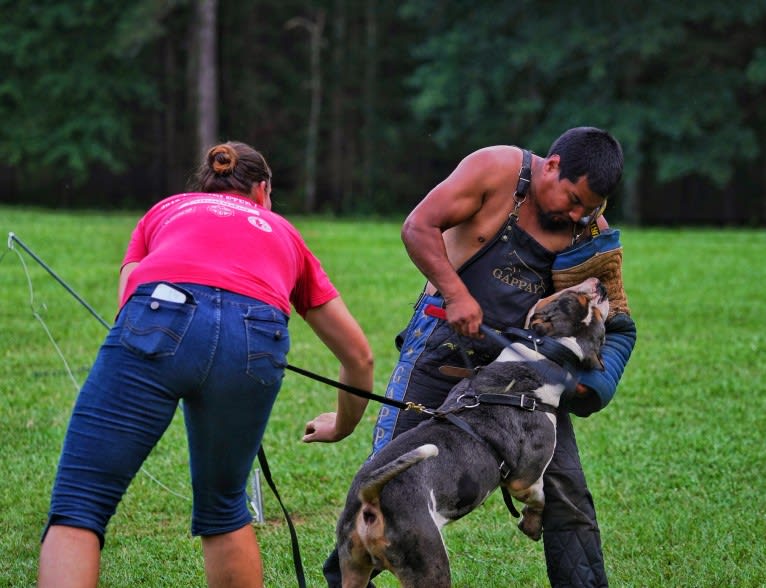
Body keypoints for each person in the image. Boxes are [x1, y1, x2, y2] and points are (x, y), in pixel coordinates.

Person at [38, 141, 373, 588]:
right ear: (263, 190)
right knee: (224, 506)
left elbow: (128, 298)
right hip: (257, 336)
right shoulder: (283, 231)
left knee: (81, 503)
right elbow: (359, 357)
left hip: (159, 316)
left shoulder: (168, 209)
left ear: (206, 185)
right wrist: (344, 425)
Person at [315, 127, 637, 587]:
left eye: (589, 207)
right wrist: (456, 292)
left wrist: (590, 386)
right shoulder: (496, 170)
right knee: (384, 486)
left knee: (567, 494)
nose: (577, 213)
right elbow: (417, 227)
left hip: (518, 374)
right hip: (441, 347)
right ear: (553, 165)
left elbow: (616, 321)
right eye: (572, 198)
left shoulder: (589, 230)